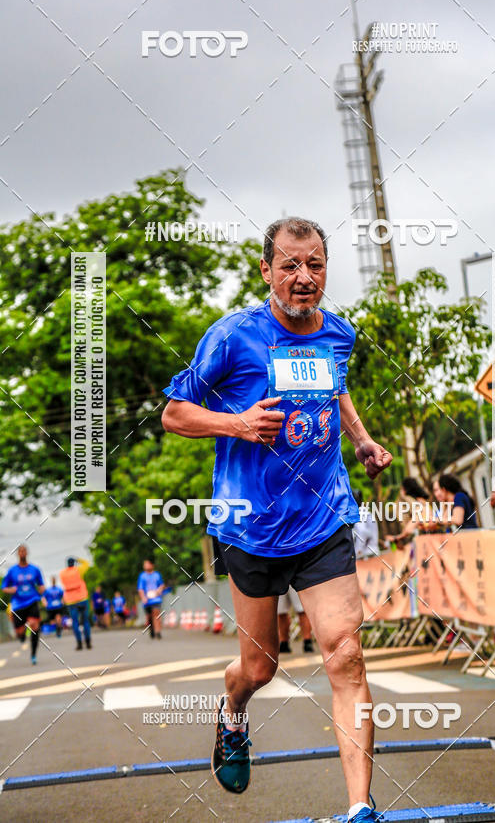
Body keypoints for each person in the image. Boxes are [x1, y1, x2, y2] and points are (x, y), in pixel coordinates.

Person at [162, 216, 392, 823]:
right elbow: (175, 414)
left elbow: (335, 391)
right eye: (290, 265)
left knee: (346, 655)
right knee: (260, 667)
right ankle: (233, 714)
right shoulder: (232, 336)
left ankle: (360, 807)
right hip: (251, 524)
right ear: (267, 271)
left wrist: (362, 441)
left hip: (323, 518)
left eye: (315, 264)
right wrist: (236, 423)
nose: (303, 277)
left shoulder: (338, 334)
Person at [2, 545, 44, 665]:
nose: (22, 553)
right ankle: (22, 633)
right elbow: (4, 587)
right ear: (17, 554)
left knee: (35, 626)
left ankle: (33, 654)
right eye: (20, 551)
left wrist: (42, 590)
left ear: (27, 553)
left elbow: (41, 585)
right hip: (18, 604)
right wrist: (11, 590)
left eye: (24, 551)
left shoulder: (35, 569)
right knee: (19, 632)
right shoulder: (12, 571)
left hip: (32, 600)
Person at [59, 557, 92, 650]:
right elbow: (86, 563)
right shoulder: (78, 570)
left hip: (71, 601)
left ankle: (79, 643)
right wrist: (78, 560)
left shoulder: (62, 573)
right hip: (82, 598)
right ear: (74, 563)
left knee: (75, 622)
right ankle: (88, 642)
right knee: (85, 621)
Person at [277, 587, 314, 654]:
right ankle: (284, 643)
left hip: (295, 582)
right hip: (277, 582)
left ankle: (307, 641)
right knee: (281, 612)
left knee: (301, 609)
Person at [137, 559, 164, 639]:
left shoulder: (157, 575)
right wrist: (143, 597)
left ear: (152, 565)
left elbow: (161, 585)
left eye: (147, 564)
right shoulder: (142, 576)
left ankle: (158, 631)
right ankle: (151, 629)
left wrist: (159, 590)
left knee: (156, 614)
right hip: (147, 599)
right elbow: (140, 588)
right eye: (145, 564)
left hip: (156, 599)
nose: (146, 566)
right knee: (149, 616)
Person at [351, 490, 380, 559]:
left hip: (365, 555)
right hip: (372, 552)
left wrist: (357, 552)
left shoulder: (360, 514)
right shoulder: (367, 513)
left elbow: (362, 533)